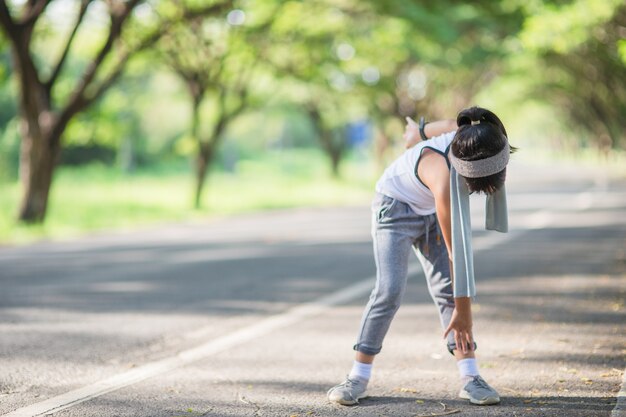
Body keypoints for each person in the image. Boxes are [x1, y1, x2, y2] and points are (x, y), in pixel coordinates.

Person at [327, 106, 513, 406]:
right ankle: (357, 377)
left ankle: (470, 376)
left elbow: (452, 122)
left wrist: (419, 132)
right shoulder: (440, 174)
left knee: (447, 291)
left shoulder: (481, 134)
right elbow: (459, 254)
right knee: (389, 291)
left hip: (428, 209)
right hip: (396, 208)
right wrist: (464, 311)